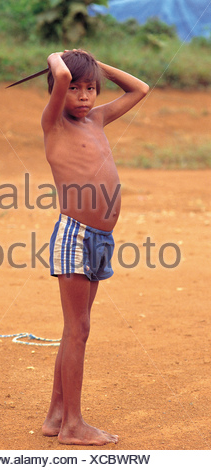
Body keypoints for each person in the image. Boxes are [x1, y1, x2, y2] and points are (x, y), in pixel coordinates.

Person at [41, 49, 149, 446]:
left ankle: (56, 415)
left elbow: (140, 88)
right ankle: (72, 426)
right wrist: (60, 58)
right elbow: (61, 71)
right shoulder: (54, 123)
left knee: (76, 328)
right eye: (75, 89)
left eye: (91, 88)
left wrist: (96, 63)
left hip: (101, 238)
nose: (84, 96)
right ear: (58, 90)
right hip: (76, 235)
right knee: (78, 329)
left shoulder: (98, 119)